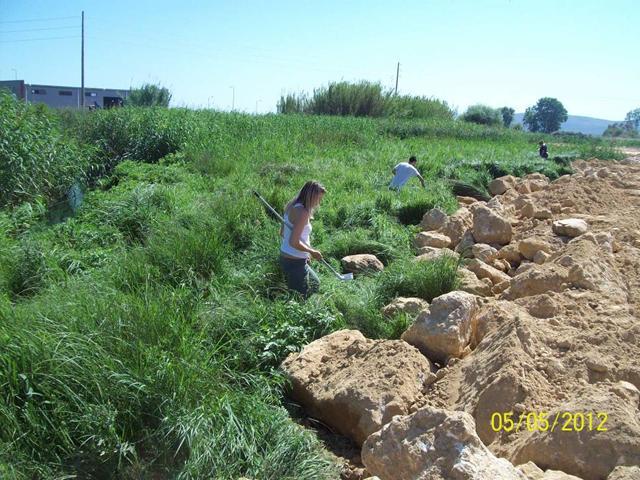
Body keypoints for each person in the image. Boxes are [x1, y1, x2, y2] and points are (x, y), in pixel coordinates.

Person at [279, 181, 326, 298]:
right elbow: (294, 242)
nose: (319, 202)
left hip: (288, 257)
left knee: (315, 284)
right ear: (310, 196)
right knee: (299, 298)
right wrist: (312, 251)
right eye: (318, 199)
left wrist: (305, 252)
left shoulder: (291, 205)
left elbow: (282, 233)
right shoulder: (303, 213)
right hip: (294, 262)